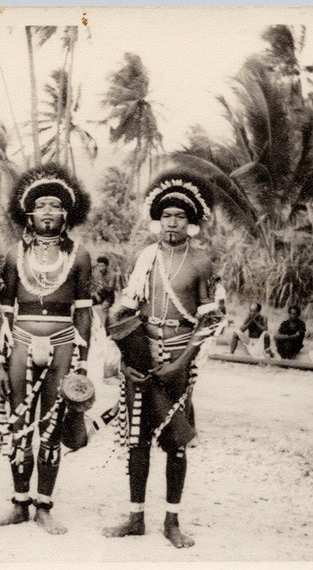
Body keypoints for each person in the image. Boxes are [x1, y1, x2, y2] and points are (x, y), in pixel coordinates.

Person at [102, 160, 221, 549]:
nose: (172, 222)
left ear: (191, 222)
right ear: (158, 219)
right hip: (142, 353)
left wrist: (181, 363)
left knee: (175, 440)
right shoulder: (145, 257)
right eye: (166, 215)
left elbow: (210, 322)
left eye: (180, 216)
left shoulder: (202, 262)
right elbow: (128, 305)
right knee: (136, 438)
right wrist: (122, 347)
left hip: (179, 357)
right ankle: (136, 516)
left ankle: (172, 520)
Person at [0, 163, 92, 535]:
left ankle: (43, 506)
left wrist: (80, 365)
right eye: (42, 205)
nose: (48, 212)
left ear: (67, 212)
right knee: (19, 427)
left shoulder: (79, 255)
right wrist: (0, 362)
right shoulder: (15, 254)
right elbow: (3, 311)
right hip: (19, 343)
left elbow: (84, 313)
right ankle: (19, 502)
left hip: (63, 345)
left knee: (50, 428)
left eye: (55, 205)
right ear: (28, 212)